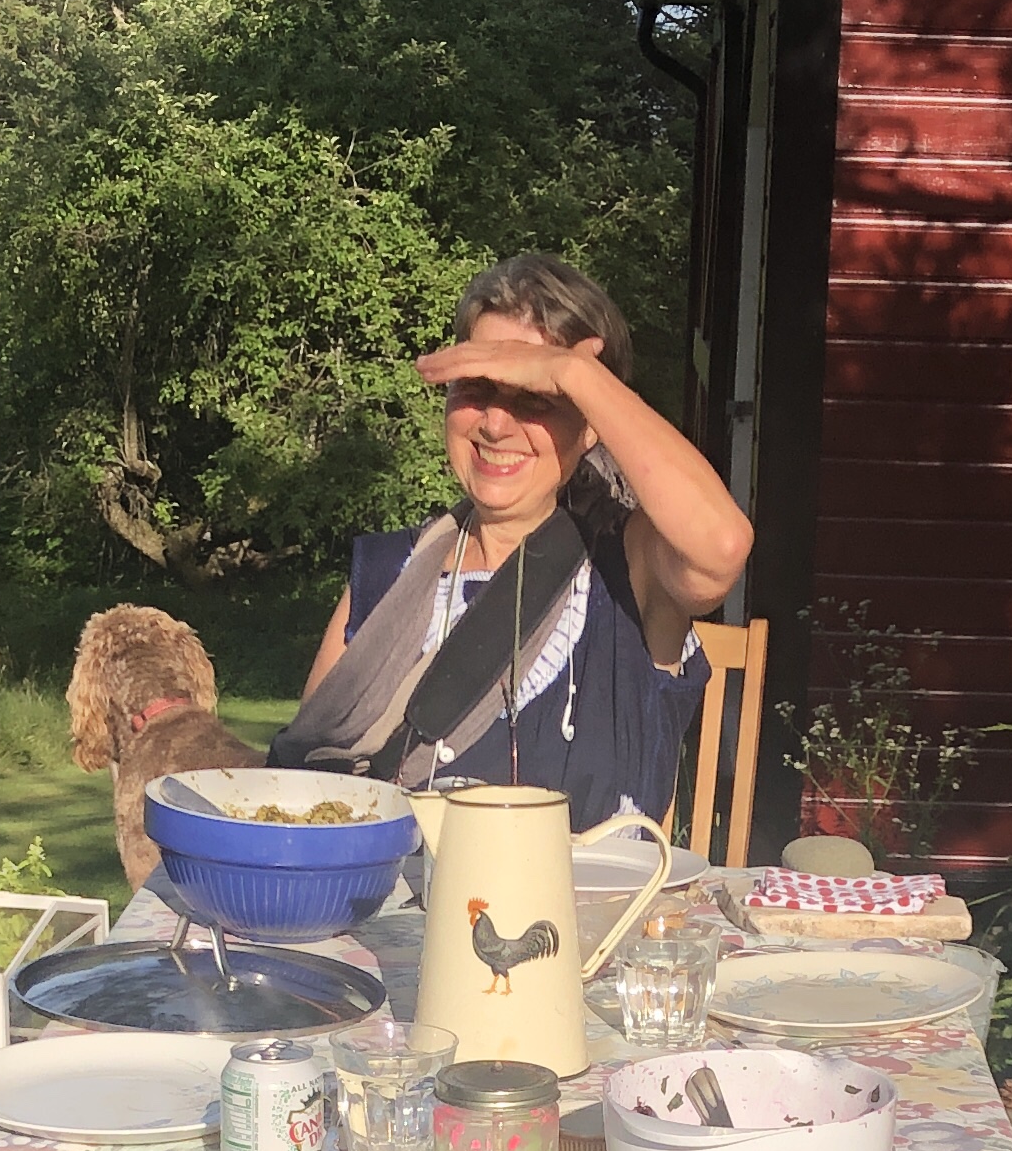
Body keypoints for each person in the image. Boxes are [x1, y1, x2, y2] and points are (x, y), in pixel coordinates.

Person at [283, 252, 752, 830]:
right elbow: (303, 791)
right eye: (477, 389)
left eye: (536, 398)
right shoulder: (385, 573)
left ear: (591, 423)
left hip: (591, 894)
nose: (495, 424)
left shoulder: (631, 572)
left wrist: (576, 375)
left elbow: (721, 546)